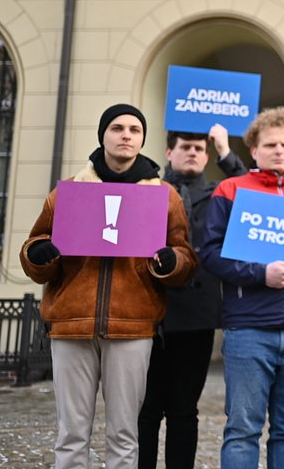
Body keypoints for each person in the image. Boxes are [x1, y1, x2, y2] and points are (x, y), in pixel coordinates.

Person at [20, 103, 196, 469]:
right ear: (103, 136)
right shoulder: (68, 192)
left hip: (132, 327)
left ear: (142, 138)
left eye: (134, 129)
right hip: (72, 325)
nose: (126, 135)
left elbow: (184, 256)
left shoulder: (164, 196)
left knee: (124, 434)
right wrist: (39, 253)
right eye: (117, 128)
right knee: (71, 435)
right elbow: (34, 247)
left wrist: (172, 262)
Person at [201, 107, 284, 469]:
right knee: (242, 430)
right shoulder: (230, 189)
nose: (278, 150)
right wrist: (260, 274)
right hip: (248, 329)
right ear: (253, 150)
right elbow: (210, 253)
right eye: (269, 145)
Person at [137, 123, 247, 469]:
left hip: (197, 315)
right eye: (185, 147)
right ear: (169, 152)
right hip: (152, 312)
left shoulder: (219, 193)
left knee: (184, 410)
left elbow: (252, 195)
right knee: (147, 408)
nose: (193, 153)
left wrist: (225, 151)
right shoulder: (149, 190)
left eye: (199, 149)